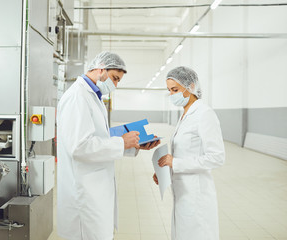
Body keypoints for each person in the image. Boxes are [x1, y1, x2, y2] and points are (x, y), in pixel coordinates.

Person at [57, 51, 160, 240]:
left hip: (95, 188)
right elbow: (79, 147)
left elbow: (100, 138)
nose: (115, 85)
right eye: (114, 78)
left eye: (118, 80)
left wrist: (132, 145)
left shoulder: (93, 97)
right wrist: (121, 142)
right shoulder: (77, 97)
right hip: (83, 193)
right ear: (100, 69)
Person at [153, 66, 225, 240]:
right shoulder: (185, 114)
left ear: (190, 86)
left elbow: (217, 157)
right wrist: (164, 172)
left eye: (175, 90)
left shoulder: (204, 114)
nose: (172, 95)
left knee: (196, 233)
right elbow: (184, 152)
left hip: (197, 193)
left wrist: (175, 163)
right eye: (169, 91)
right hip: (183, 192)